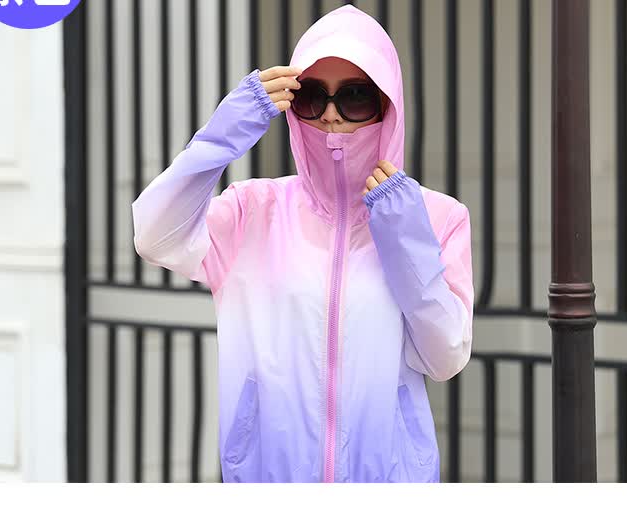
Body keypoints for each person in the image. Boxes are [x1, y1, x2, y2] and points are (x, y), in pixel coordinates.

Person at [131, 4, 473, 483]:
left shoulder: (436, 217)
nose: (331, 115)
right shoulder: (252, 209)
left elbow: (445, 357)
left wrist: (407, 243)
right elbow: (154, 236)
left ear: (388, 107)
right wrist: (221, 138)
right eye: (312, 96)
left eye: (355, 96)